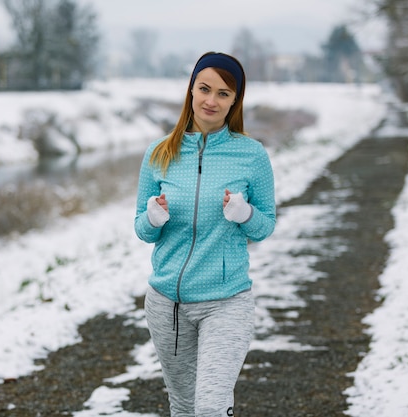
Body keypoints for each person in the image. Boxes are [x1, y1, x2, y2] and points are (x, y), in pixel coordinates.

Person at [134, 51, 276, 417]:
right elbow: (141, 229)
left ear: (235, 101)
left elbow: (265, 226)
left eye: (224, 93)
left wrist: (244, 213)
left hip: (226, 302)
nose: (211, 100)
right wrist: (152, 218)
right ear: (191, 91)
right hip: (168, 305)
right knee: (183, 406)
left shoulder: (251, 155)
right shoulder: (159, 153)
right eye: (204, 88)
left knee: (211, 407)